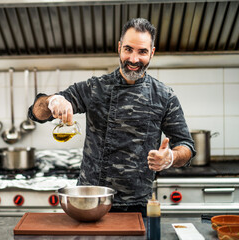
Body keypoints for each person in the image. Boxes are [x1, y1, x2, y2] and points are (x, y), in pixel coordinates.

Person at [28, 18, 195, 217]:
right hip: (89, 200)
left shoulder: (164, 96)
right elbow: (36, 113)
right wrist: (52, 101)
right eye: (128, 49)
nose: (133, 59)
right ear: (119, 48)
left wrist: (172, 157)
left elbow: (186, 146)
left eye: (142, 51)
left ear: (152, 52)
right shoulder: (94, 88)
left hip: (137, 205)